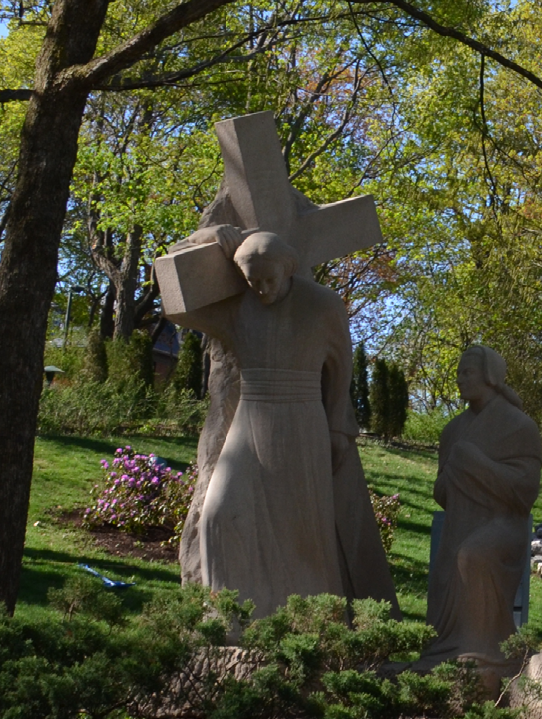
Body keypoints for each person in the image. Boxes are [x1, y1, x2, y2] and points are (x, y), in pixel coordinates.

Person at [168, 225, 397, 619]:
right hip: (251, 416)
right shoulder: (238, 305)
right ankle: (229, 616)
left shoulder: (323, 305)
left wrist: (338, 429)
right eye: (252, 281)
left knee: (304, 532)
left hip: (302, 420)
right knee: (219, 515)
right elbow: (173, 297)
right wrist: (203, 238)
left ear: (288, 269)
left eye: (269, 280)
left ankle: (311, 621)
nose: (261, 289)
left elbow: (342, 368)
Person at [415, 346, 541, 678]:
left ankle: (486, 649)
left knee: (474, 555)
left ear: (490, 376)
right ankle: (449, 648)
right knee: (453, 558)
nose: (459, 379)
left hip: (503, 525)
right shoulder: (452, 431)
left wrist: (476, 465)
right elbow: (441, 492)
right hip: (459, 522)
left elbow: (525, 494)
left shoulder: (519, 426)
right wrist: (458, 471)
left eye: (466, 372)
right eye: (457, 372)